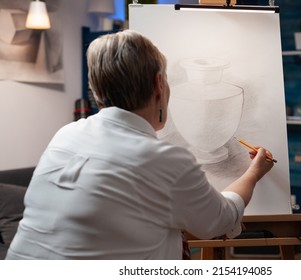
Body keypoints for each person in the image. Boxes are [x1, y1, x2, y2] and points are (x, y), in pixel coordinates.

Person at [6, 30, 274, 260]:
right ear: (159, 84)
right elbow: (220, 220)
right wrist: (254, 172)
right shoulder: (163, 159)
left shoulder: (65, 135)